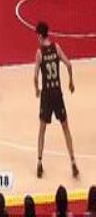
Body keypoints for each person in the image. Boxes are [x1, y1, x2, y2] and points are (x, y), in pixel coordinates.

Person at [34, 22, 79, 179]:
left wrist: (36, 89)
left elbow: (35, 77)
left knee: (42, 130)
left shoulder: (39, 53)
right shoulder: (57, 48)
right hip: (57, 94)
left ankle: (39, 163)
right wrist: (71, 82)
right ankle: (73, 162)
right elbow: (69, 64)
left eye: (37, 36)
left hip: (47, 95)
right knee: (66, 128)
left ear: (40, 35)